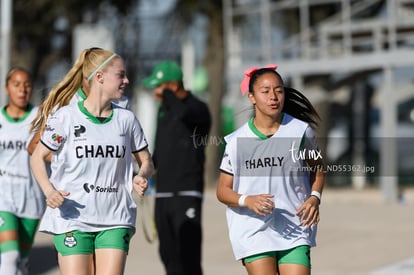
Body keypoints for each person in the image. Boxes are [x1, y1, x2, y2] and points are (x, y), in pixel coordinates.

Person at [30, 48, 154, 275]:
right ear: (100, 77)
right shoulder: (65, 118)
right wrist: (49, 191)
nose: (126, 80)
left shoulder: (127, 119)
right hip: (73, 219)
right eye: (121, 75)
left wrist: (141, 176)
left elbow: (146, 161)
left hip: (115, 218)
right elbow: (37, 157)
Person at [216, 64, 325, 275]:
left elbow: (318, 169)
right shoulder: (237, 141)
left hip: (295, 227)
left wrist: (314, 197)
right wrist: (247, 200)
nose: (273, 97)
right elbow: (222, 191)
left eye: (279, 90)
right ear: (251, 97)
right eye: (265, 92)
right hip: (253, 230)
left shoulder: (300, 131)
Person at [142, 61, 211, 275]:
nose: (154, 91)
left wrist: (169, 95)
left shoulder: (197, 108)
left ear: (172, 85)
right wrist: (147, 172)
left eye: (158, 86)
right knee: (168, 254)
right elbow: (160, 150)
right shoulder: (164, 110)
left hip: (187, 192)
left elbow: (185, 114)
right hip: (163, 194)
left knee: (188, 255)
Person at [27, 47, 130, 160]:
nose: (126, 81)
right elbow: (34, 147)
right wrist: (74, 164)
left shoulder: (122, 104)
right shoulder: (66, 104)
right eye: (119, 75)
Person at [0, 67, 46, 275]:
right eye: (16, 85)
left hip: (31, 197)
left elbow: (53, 151)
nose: (22, 90)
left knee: (22, 262)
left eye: (27, 85)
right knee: (9, 257)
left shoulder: (40, 118)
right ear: (7, 88)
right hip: (3, 198)